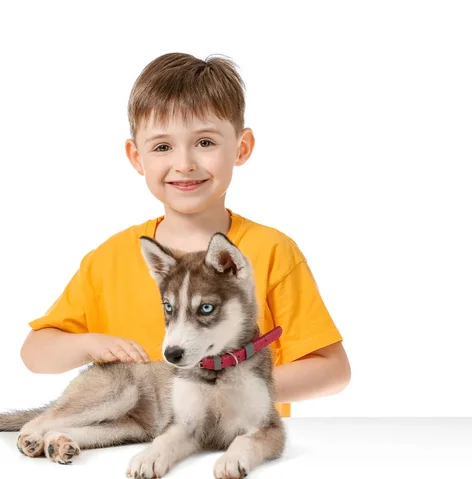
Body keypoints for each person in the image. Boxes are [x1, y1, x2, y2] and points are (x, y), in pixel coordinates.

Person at [20, 52, 351, 418]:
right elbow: (35, 353)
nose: (185, 163)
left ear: (241, 148)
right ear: (136, 157)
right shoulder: (109, 258)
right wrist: (89, 344)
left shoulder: (272, 251)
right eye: (162, 146)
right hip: (126, 454)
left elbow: (333, 371)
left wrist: (233, 388)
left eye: (205, 142)